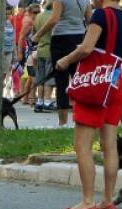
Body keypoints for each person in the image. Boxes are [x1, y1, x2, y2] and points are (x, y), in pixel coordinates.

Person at [54, 0, 122, 209]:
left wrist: (65, 60)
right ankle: (107, 199)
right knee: (110, 145)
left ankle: (87, 200)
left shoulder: (99, 15)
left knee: (82, 145)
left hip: (95, 84)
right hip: (115, 85)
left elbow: (87, 48)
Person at [33, 0, 92, 128]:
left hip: (60, 39)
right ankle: (83, 119)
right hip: (79, 38)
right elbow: (89, 20)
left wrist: (37, 35)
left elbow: (54, 19)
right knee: (80, 80)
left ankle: (63, 122)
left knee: (61, 81)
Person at [33, 0, 56, 112]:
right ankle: (47, 102)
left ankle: (39, 101)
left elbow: (35, 33)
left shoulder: (38, 17)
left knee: (40, 78)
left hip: (40, 49)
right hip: (51, 49)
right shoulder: (54, 17)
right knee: (49, 78)